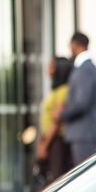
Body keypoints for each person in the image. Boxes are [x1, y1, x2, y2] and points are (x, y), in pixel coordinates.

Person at [57, 32, 96, 166]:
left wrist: (61, 114)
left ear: (75, 45)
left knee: (87, 175)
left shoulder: (84, 69)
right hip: (82, 133)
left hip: (84, 133)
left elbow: (81, 103)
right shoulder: (84, 68)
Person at [35, 56, 73, 184]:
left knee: (56, 179)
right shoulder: (56, 90)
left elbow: (56, 121)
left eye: (51, 66)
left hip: (56, 141)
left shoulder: (64, 91)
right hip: (50, 140)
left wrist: (44, 145)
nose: (48, 69)